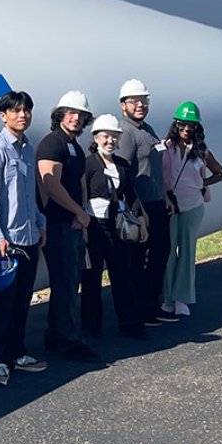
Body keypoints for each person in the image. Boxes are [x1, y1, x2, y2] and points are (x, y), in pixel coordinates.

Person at [0, 91, 49, 386]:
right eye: (16, 110)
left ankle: (18, 353)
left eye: (27, 110)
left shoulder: (27, 150)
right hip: (9, 241)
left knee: (22, 301)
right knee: (4, 303)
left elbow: (31, 193)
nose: (23, 115)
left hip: (29, 236)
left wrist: (40, 222)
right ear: (3, 115)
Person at [36, 91, 102, 363]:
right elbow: (51, 184)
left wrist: (84, 216)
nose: (76, 118)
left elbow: (81, 182)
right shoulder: (53, 144)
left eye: (81, 115)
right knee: (64, 286)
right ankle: (70, 342)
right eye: (71, 113)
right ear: (60, 115)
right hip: (59, 225)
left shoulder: (74, 145)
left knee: (69, 284)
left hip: (75, 224)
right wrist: (78, 212)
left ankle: (55, 335)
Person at [114, 79, 177, 325]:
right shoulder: (126, 133)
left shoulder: (148, 129)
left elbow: (156, 167)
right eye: (134, 101)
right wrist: (137, 211)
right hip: (140, 209)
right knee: (138, 261)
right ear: (123, 105)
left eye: (144, 100)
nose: (140, 105)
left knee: (161, 254)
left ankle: (153, 304)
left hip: (158, 203)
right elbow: (123, 175)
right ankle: (141, 311)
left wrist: (166, 196)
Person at [79, 114, 148, 340]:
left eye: (114, 137)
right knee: (91, 279)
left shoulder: (122, 165)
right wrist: (84, 228)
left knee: (122, 276)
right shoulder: (88, 164)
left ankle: (130, 325)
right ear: (96, 137)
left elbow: (132, 195)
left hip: (117, 226)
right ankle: (92, 327)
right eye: (106, 136)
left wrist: (141, 220)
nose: (110, 141)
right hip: (95, 227)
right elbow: (81, 196)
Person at [160, 101, 222, 317]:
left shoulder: (201, 151)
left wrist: (201, 184)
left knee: (187, 252)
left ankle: (182, 299)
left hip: (193, 206)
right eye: (183, 124)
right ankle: (167, 298)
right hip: (169, 206)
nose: (187, 129)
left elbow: (220, 173)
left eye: (192, 126)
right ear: (176, 124)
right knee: (168, 252)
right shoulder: (165, 148)